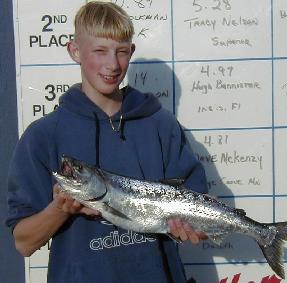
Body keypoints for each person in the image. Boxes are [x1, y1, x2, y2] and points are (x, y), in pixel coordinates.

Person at [6, 2, 208, 282]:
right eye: (99, 51)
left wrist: (190, 229)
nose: (112, 65)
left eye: (121, 52)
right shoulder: (42, 136)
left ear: (131, 52)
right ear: (75, 51)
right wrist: (59, 209)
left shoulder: (161, 125)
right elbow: (23, 242)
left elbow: (199, 210)